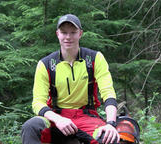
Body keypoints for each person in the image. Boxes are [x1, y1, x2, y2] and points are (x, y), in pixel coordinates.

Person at [21, 14, 120, 144]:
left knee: (108, 138)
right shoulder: (45, 64)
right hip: (55, 118)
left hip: (87, 117)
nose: (68, 37)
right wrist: (57, 119)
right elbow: (38, 103)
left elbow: (108, 93)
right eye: (64, 32)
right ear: (57, 34)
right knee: (30, 127)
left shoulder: (95, 58)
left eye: (73, 32)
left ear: (80, 34)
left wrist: (111, 124)